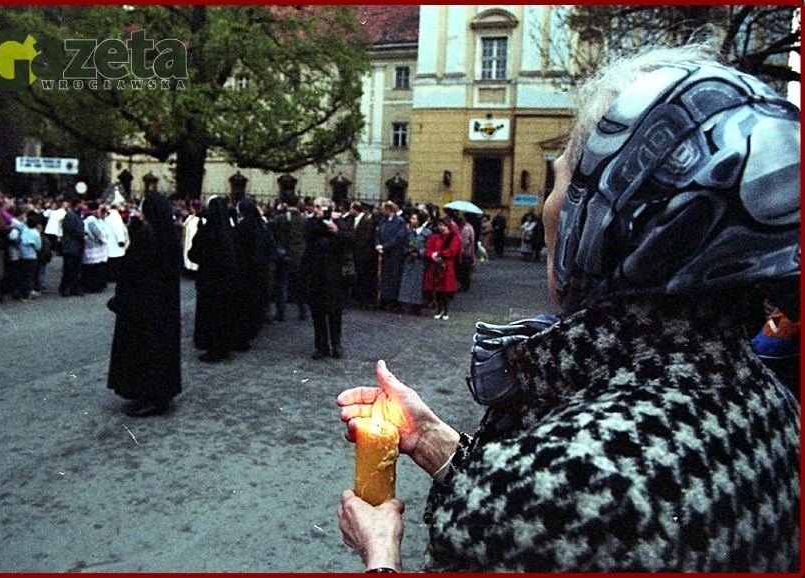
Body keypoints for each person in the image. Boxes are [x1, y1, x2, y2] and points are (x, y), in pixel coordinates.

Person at [336, 43, 800, 572]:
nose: (554, 203)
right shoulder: (770, 398)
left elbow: (557, 505)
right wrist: (436, 442)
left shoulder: (570, 485)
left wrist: (380, 554)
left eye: (563, 181)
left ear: (608, 214)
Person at [107, 191, 183, 417]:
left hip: (144, 303)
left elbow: (133, 268)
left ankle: (149, 395)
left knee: (144, 349)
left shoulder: (147, 235)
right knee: (160, 348)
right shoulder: (168, 234)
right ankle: (159, 393)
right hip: (163, 303)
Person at [188, 195, 240, 362]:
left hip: (209, 280)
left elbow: (194, 254)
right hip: (227, 281)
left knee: (211, 315)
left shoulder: (207, 230)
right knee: (224, 314)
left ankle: (213, 349)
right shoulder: (231, 230)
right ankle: (224, 346)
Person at [303, 196, 352, 359]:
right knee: (317, 313)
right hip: (315, 274)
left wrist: (337, 231)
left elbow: (348, 242)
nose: (314, 209)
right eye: (314, 207)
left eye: (318, 207)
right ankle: (321, 346)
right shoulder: (312, 223)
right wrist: (325, 222)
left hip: (334, 276)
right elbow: (310, 234)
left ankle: (336, 344)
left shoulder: (339, 224)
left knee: (334, 312)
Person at [422, 216, 461, 320]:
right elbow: (428, 249)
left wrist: (439, 253)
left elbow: (452, 251)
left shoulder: (454, 237)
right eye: (439, 225)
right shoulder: (434, 237)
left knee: (446, 290)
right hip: (435, 265)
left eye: (442, 225)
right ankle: (439, 309)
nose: (440, 227)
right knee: (437, 289)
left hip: (446, 266)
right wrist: (432, 255)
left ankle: (446, 310)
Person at [396, 210, 431, 315]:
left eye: (414, 219)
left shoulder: (427, 233)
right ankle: (404, 303)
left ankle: (417, 304)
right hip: (409, 260)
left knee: (418, 283)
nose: (411, 221)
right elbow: (403, 245)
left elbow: (429, 246)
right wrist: (408, 251)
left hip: (420, 261)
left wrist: (420, 253)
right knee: (406, 281)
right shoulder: (409, 232)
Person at [374, 201, 407, 311]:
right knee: (383, 277)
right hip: (383, 253)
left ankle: (392, 301)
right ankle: (382, 298)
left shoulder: (399, 222)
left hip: (394, 254)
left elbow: (398, 238)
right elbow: (377, 234)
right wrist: (378, 244)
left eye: (383, 209)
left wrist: (385, 246)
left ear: (388, 210)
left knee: (393, 278)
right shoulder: (382, 221)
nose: (381, 211)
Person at [59, 196, 86, 297]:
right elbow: (71, 230)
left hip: (76, 246)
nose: (83, 206)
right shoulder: (70, 215)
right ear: (77, 204)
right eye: (82, 204)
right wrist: (81, 236)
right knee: (69, 268)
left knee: (75, 268)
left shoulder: (77, 215)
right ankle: (65, 288)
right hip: (71, 246)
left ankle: (74, 287)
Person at [81, 202, 109, 293]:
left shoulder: (90, 219)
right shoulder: (91, 220)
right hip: (93, 246)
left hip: (93, 245)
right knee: (94, 268)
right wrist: (103, 238)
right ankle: (93, 286)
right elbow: (97, 232)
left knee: (91, 268)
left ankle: (92, 285)